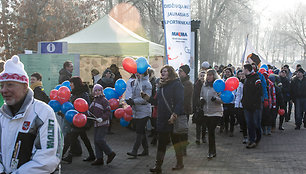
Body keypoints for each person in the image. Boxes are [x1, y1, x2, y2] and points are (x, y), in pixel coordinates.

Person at [0, 55, 62, 173]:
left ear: (24, 87)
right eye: (2, 85)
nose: (3, 90)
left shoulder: (43, 113)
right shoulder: (2, 115)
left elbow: (48, 158)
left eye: (10, 84)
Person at [149, 65, 184, 173]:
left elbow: (180, 101)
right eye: (162, 71)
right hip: (162, 118)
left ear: (170, 73)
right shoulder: (161, 85)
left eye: (165, 71)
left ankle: (180, 163)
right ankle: (158, 166)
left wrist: (174, 114)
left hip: (172, 117)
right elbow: (157, 102)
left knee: (175, 142)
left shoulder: (176, 84)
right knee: (162, 142)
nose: (163, 73)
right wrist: (147, 98)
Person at [62, 77, 95, 163]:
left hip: (81, 120)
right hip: (77, 119)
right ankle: (92, 155)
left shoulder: (83, 94)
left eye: (71, 83)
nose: (70, 85)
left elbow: (85, 107)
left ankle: (67, 156)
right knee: (83, 138)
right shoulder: (75, 93)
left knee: (71, 137)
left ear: (75, 84)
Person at [126, 70, 152, 158]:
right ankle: (146, 150)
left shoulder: (147, 84)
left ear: (144, 73)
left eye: (139, 73)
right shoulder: (136, 81)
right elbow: (134, 94)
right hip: (137, 110)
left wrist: (133, 101)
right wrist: (129, 99)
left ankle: (134, 151)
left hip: (144, 110)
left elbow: (146, 99)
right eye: (136, 72)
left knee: (139, 130)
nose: (136, 74)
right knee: (142, 131)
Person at [89, 84, 116, 165]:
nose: (97, 92)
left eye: (99, 90)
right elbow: (91, 111)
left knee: (99, 139)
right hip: (96, 124)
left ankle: (110, 153)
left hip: (103, 124)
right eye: (96, 90)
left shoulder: (104, 100)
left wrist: (102, 118)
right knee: (96, 141)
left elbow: (108, 111)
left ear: (102, 91)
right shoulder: (94, 101)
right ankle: (99, 158)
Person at [200, 69, 223, 159]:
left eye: (210, 75)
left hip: (216, 112)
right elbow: (201, 94)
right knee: (210, 132)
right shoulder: (204, 85)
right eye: (207, 75)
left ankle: (211, 151)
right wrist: (201, 99)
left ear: (214, 76)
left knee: (211, 131)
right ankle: (213, 151)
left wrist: (216, 99)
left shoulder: (218, 86)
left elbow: (223, 99)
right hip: (206, 112)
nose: (208, 77)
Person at [242, 64, 263, 148]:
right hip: (247, 106)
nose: (243, 71)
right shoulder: (246, 79)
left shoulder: (256, 79)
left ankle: (258, 138)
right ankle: (252, 140)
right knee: (249, 123)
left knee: (256, 123)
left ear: (247, 70)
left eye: (243, 69)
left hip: (255, 106)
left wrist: (254, 103)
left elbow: (259, 92)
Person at [178, 64, 193, 155]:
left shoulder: (188, 84)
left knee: (183, 130)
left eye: (181, 71)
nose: (179, 73)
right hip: (178, 109)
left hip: (184, 109)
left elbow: (182, 96)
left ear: (185, 73)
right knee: (178, 130)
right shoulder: (179, 82)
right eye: (179, 71)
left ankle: (183, 149)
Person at [193, 71, 207, 144]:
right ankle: (198, 138)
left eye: (203, 76)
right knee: (198, 123)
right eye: (201, 76)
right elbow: (195, 96)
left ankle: (203, 137)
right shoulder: (196, 85)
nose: (202, 77)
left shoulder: (207, 85)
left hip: (205, 105)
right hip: (198, 106)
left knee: (204, 123)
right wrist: (197, 104)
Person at [234, 70, 248, 144]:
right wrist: (236, 105)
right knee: (241, 121)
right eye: (240, 74)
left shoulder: (248, 83)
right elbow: (238, 95)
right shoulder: (239, 84)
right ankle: (245, 135)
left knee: (247, 121)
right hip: (240, 105)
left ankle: (248, 135)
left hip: (247, 105)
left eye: (243, 74)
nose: (242, 76)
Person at [221, 67, 235, 136]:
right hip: (225, 101)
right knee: (225, 116)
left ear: (231, 73)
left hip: (232, 101)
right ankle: (226, 129)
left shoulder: (234, 80)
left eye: (228, 72)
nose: (227, 73)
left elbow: (235, 90)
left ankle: (231, 130)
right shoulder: (222, 80)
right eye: (226, 72)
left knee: (232, 116)